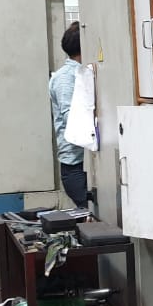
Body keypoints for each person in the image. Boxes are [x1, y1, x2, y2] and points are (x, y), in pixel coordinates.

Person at [50, 22, 87, 208]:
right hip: (76, 166)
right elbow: (70, 118)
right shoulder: (66, 77)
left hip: (85, 162)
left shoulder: (81, 72)